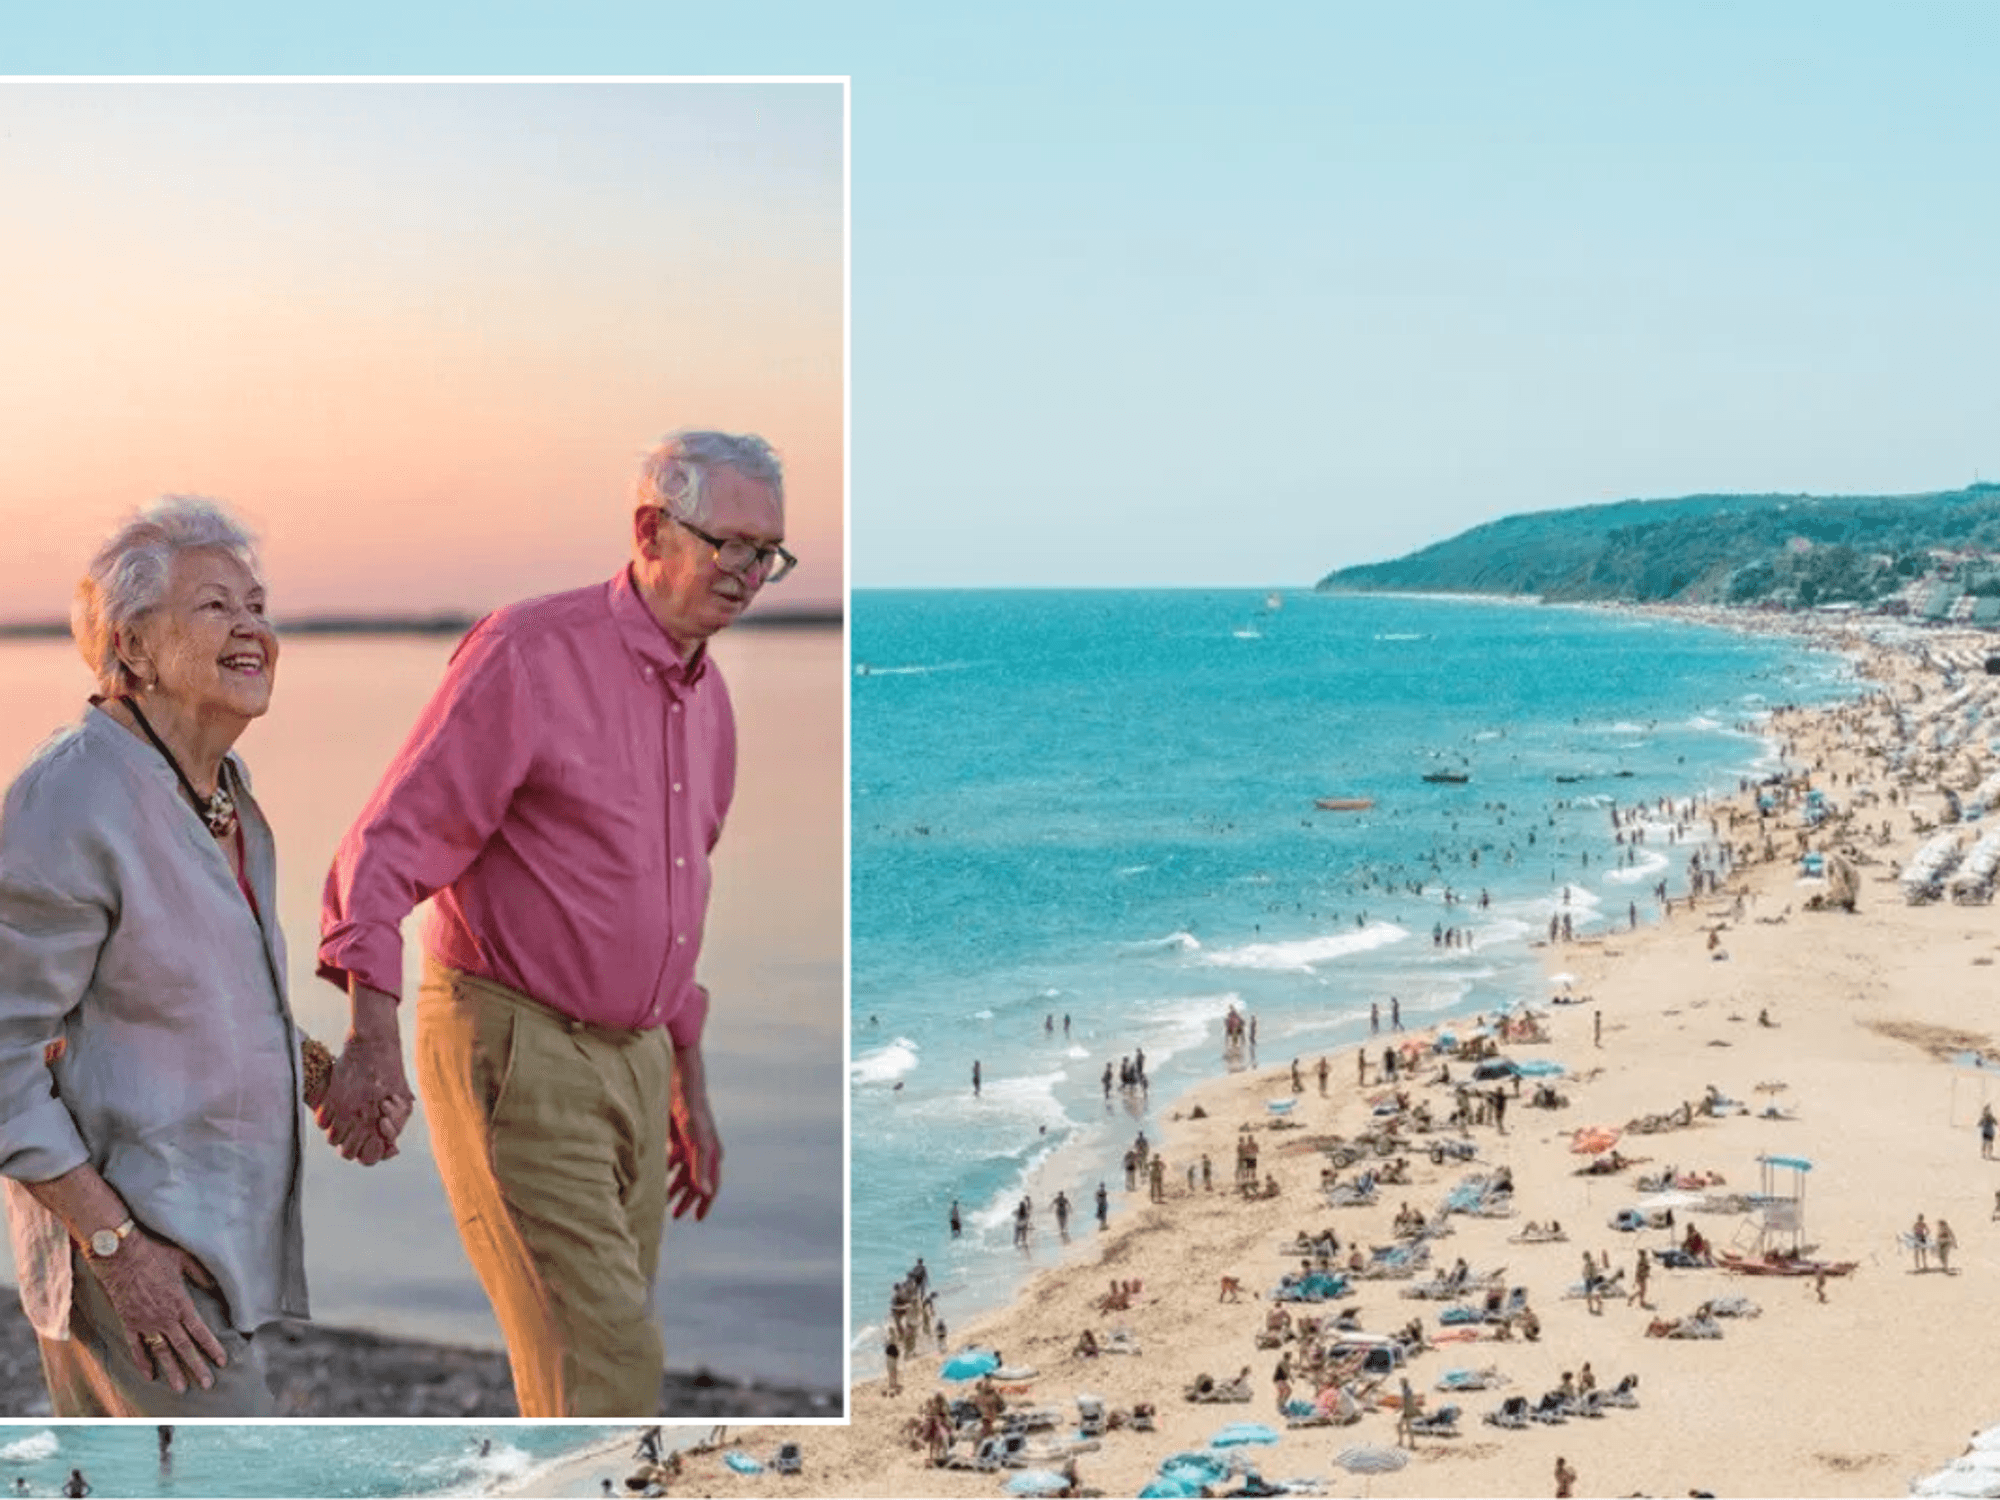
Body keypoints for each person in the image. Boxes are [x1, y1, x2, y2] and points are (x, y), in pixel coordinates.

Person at [317, 431, 794, 1417]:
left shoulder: (709, 697)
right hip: (518, 1044)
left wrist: (688, 1080)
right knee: (605, 1359)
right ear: (650, 530)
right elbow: (387, 844)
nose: (749, 574)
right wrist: (370, 1036)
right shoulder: (528, 652)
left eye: (767, 554)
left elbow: (678, 895)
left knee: (598, 1354)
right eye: (730, 545)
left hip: (640, 1058)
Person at [0, 498, 400, 1417]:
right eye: (216, 606)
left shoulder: (219, 790)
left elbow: (198, 999)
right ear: (133, 647)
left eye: (257, 605)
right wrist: (118, 1252)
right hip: (139, 1259)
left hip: (210, 1246)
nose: (253, 627)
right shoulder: (74, 798)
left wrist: (323, 1077)